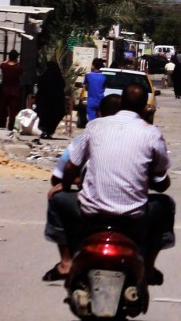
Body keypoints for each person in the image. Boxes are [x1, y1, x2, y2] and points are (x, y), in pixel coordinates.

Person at [55, 84, 175, 285]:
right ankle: (149, 266)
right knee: (165, 204)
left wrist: (65, 187)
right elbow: (161, 182)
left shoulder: (95, 126)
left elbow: (70, 168)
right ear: (145, 108)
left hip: (92, 211)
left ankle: (66, 262)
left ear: (122, 104)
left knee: (57, 200)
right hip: (134, 214)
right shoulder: (152, 133)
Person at [41, 93, 123, 281]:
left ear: (100, 113)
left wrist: (71, 183)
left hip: (91, 207)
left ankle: (65, 263)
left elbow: (58, 177)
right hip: (130, 210)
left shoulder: (87, 135)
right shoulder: (140, 136)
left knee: (57, 199)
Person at [35, 60, 66, 139]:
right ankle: (48, 131)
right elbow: (62, 86)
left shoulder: (45, 76)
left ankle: (45, 131)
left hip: (45, 102)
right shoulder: (59, 77)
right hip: (55, 102)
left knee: (45, 116)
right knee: (54, 116)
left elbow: (40, 85)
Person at [0, 49, 23, 129]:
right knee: (12, 111)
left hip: (5, 90)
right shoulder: (18, 68)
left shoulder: (4, 66)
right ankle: (10, 127)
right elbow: (21, 71)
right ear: (16, 58)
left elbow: (1, 64)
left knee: (1, 108)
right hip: (15, 91)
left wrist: (7, 60)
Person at [83, 58, 107, 122]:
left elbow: (84, 85)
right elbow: (104, 88)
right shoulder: (104, 76)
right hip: (101, 101)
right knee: (100, 120)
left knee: (91, 122)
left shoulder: (88, 75)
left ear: (93, 66)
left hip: (91, 101)